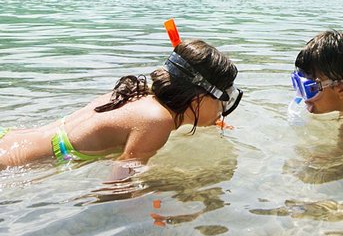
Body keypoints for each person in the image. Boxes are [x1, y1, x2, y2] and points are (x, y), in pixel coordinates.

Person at [0, 39, 242, 170]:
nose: (224, 109)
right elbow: (119, 184)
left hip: (11, 140)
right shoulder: (158, 121)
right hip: (14, 165)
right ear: (200, 97)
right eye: (224, 99)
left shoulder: (140, 95)